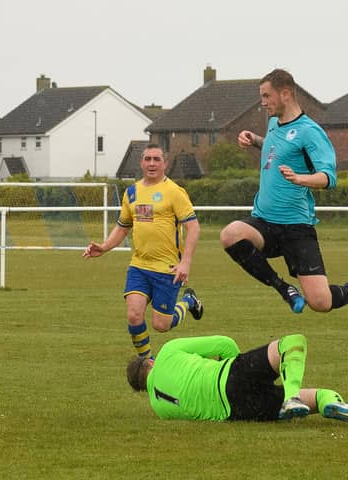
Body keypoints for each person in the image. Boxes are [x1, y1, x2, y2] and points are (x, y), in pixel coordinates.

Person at [220, 68, 348, 314]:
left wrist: (302, 178)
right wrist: (255, 140)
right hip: (264, 222)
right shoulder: (273, 125)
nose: (263, 102)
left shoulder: (310, 131)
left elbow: (329, 177)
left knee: (320, 302)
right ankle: (284, 289)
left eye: (267, 96)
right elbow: (277, 149)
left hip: (295, 227)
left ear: (286, 93)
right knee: (230, 234)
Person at [83, 143, 203, 359]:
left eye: (157, 159)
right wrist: (104, 247)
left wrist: (185, 262)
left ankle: (189, 302)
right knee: (134, 315)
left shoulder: (174, 192)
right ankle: (147, 362)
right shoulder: (132, 192)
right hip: (139, 266)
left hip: (167, 268)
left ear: (165, 163)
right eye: (147, 159)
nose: (152, 164)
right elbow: (123, 226)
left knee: (161, 325)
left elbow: (193, 227)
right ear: (141, 162)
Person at [126, 333, 348, 422]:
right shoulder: (166, 352)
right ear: (151, 362)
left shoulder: (159, 409)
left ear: (143, 389)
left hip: (238, 411)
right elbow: (225, 344)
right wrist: (241, 369)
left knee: (313, 397)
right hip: (229, 377)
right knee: (293, 342)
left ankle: (325, 401)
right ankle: (295, 397)